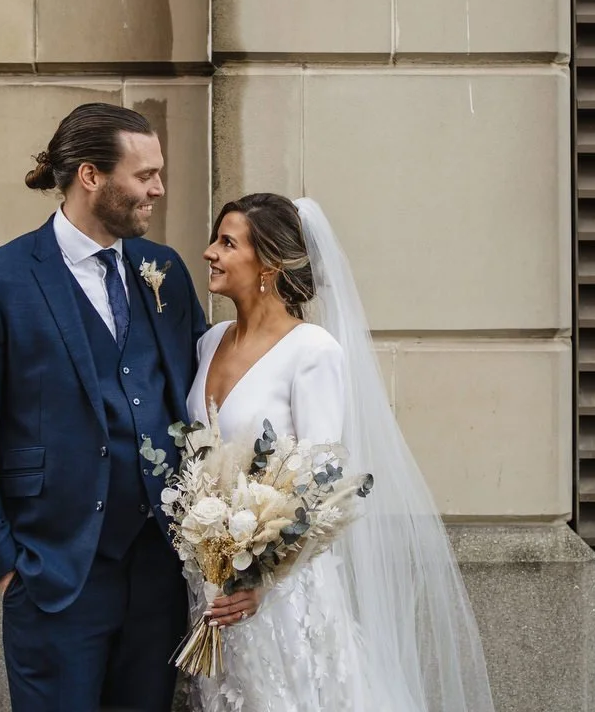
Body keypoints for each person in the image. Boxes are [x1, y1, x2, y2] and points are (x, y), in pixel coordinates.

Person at [0, 102, 207, 712]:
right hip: (53, 573)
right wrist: (3, 562)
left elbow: (198, 400)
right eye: (145, 175)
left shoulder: (163, 270)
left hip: (158, 572)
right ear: (91, 176)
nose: (158, 189)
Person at [185, 193, 495, 712]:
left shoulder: (312, 352)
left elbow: (322, 484)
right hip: (212, 586)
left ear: (269, 265)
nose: (209, 252)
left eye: (227, 242)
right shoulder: (209, 341)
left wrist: (261, 580)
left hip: (277, 596)